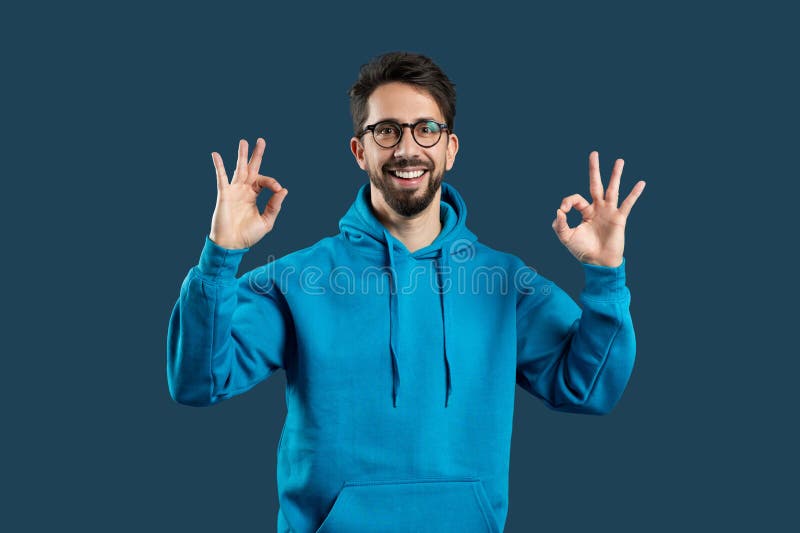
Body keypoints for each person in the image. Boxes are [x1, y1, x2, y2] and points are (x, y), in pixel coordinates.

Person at [166, 51, 645, 533]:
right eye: (387, 130)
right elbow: (199, 381)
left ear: (450, 148)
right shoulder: (298, 280)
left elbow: (589, 390)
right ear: (360, 150)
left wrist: (606, 274)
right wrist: (221, 255)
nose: (406, 149)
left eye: (426, 130)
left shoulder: (506, 283)